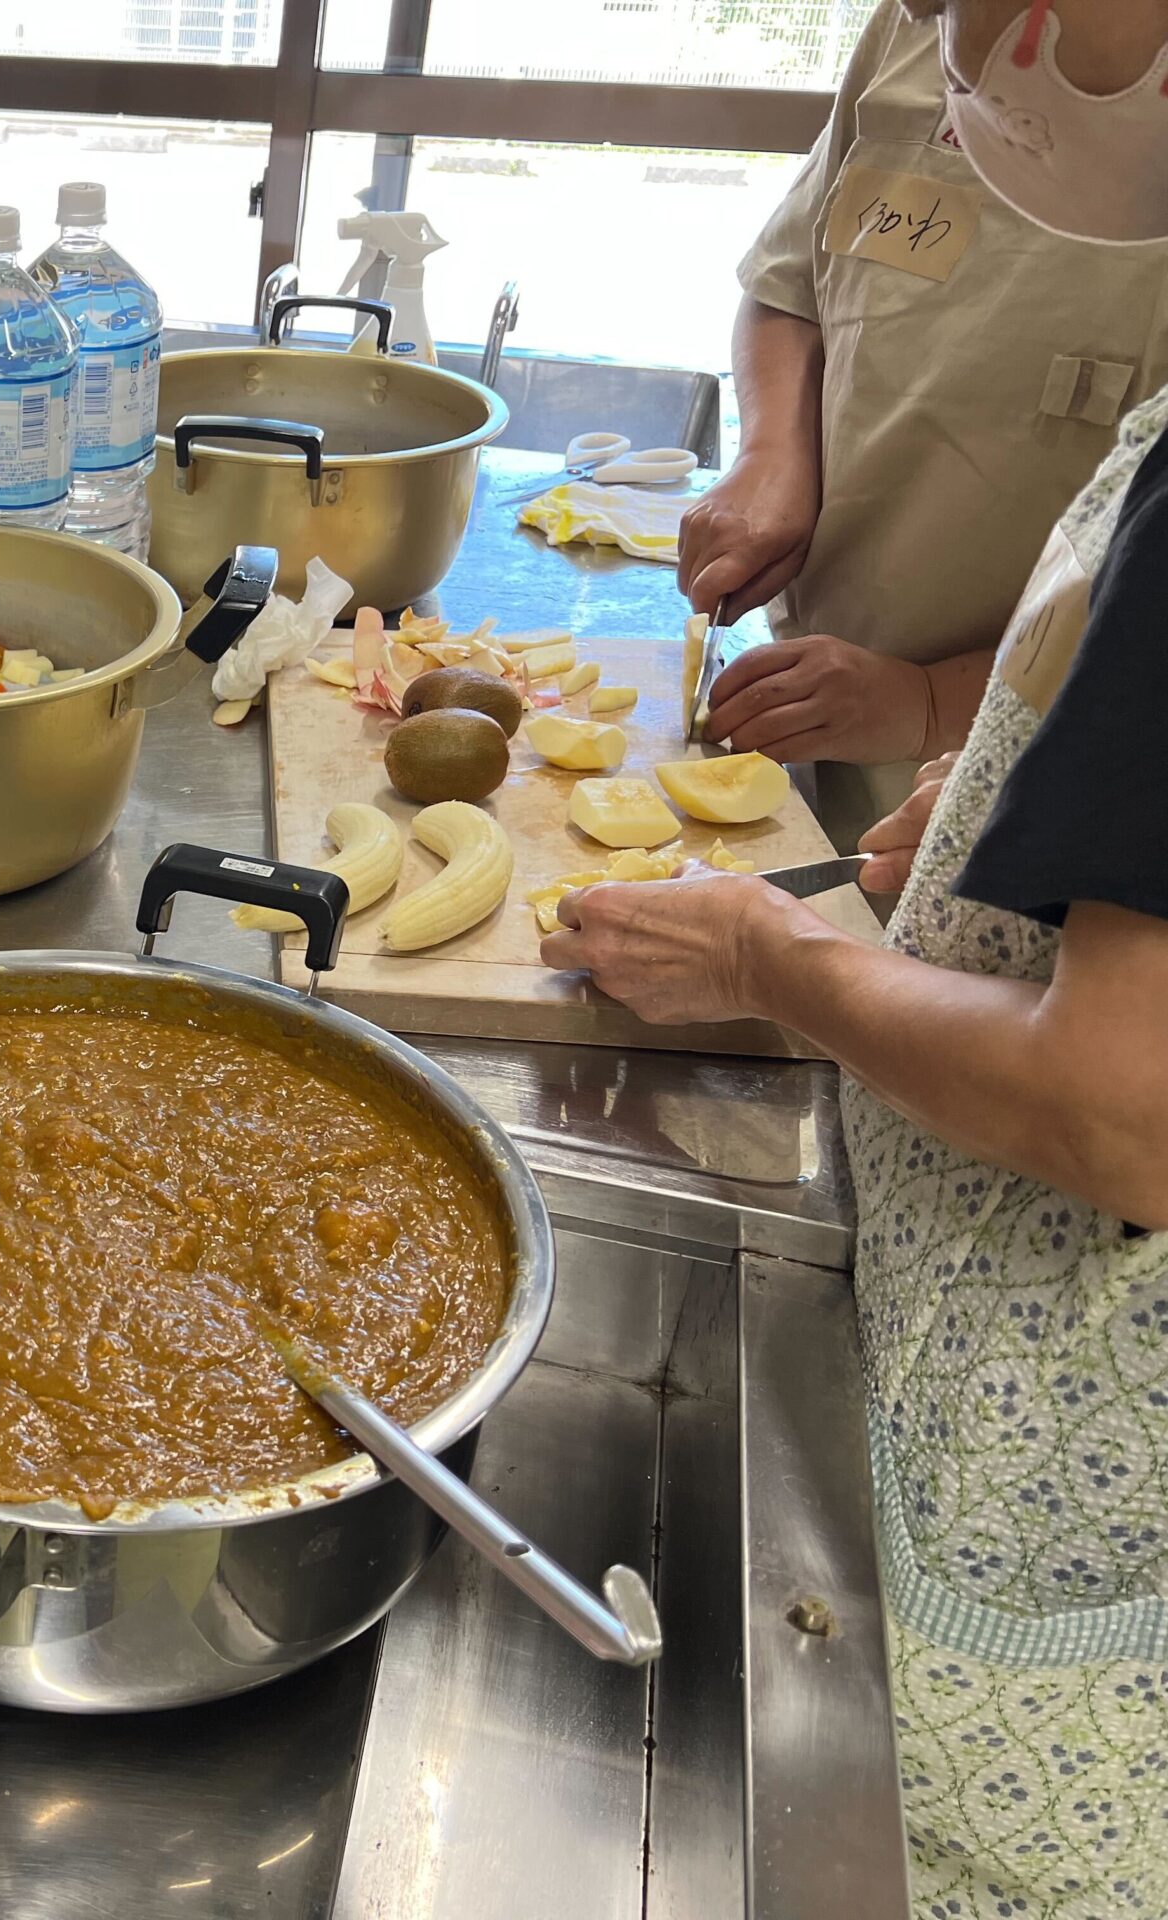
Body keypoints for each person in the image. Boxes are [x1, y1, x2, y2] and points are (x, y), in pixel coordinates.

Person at [549, 3, 1168, 1911]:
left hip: (1056, 1492)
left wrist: (767, 953)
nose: (988, 49)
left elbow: (1127, 1112)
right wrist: (979, 823)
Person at [678, 0, 1168, 840]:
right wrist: (773, 453)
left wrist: (930, 701)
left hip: (1036, 774)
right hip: (810, 692)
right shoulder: (913, 26)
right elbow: (791, 284)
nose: (922, 11)